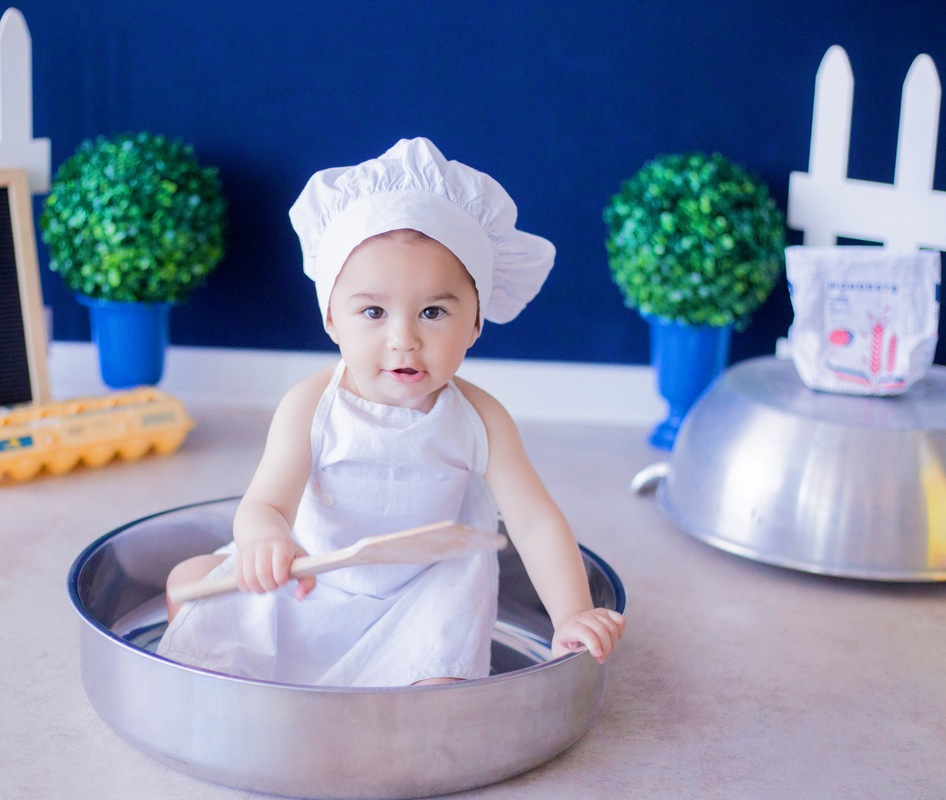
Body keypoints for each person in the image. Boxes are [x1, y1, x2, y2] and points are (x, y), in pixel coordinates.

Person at [157, 137, 625, 687]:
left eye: (432, 312)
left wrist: (570, 612)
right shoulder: (311, 405)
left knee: (437, 686)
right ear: (331, 319)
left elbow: (535, 521)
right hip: (312, 578)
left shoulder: (481, 419)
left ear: (476, 323)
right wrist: (267, 540)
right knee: (187, 582)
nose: (403, 339)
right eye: (373, 312)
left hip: (422, 594)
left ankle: (416, 690)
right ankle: (228, 687)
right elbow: (266, 503)